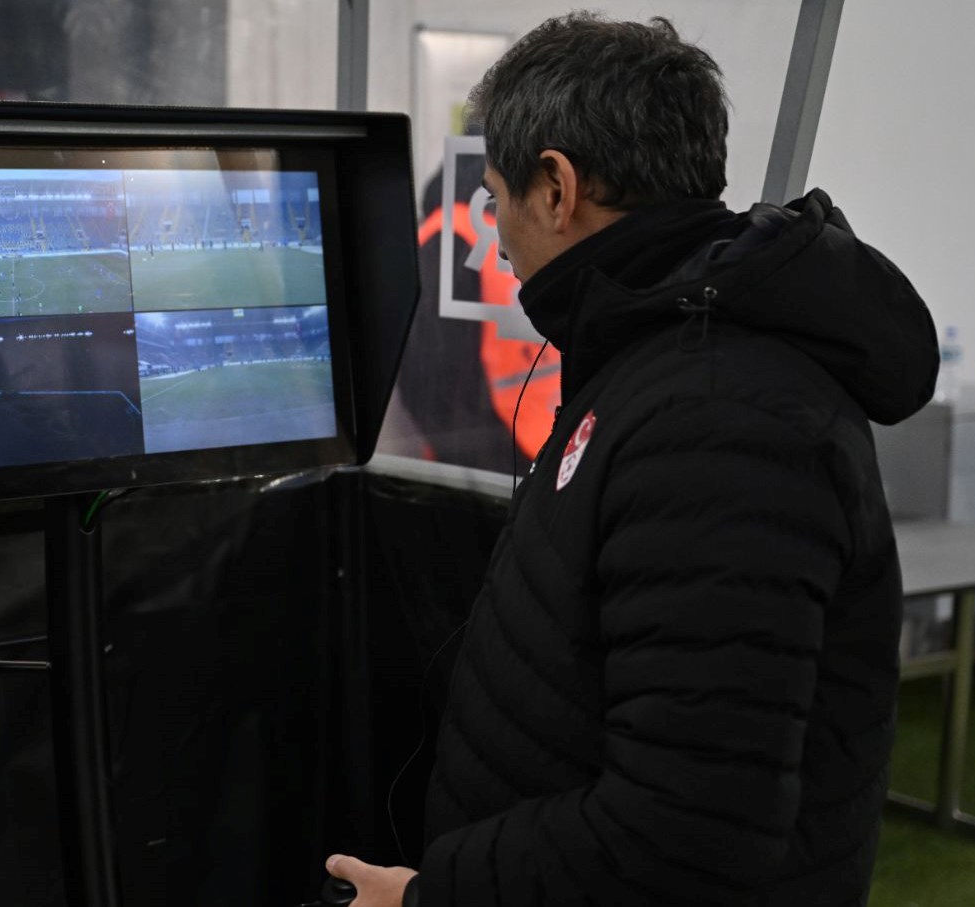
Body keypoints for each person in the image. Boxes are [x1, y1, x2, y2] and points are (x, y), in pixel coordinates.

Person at [327, 13, 938, 907]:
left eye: (495, 200)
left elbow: (687, 829)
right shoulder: (668, 354)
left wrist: (434, 896)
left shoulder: (721, 418)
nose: (494, 234)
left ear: (557, 187)